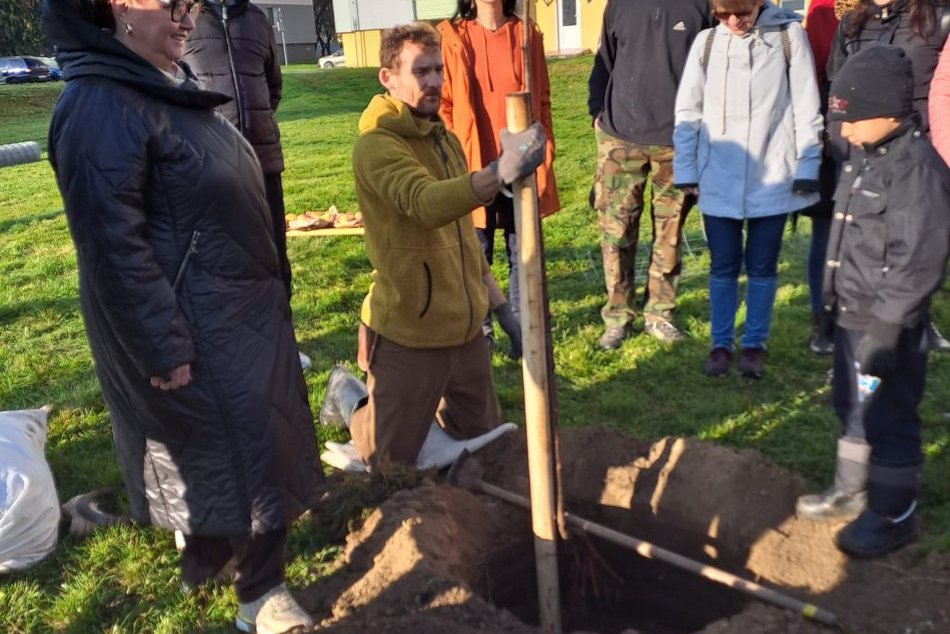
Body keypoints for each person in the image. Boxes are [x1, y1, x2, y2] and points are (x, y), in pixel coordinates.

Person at [42, 1, 321, 632]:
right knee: (246, 449)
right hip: (194, 320)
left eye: (191, 4)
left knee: (249, 446)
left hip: (234, 308)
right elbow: (112, 247)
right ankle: (261, 595)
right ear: (118, 8)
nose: (186, 17)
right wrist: (160, 345)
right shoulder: (98, 106)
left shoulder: (166, 87)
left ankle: (208, 553)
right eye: (170, 5)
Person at [319, 22, 545, 471]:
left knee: (481, 443)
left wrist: (501, 310)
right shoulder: (376, 145)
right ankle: (347, 393)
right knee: (387, 461)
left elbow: (463, 238)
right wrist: (495, 174)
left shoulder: (442, 137)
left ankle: (427, 410)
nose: (435, 81)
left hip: (464, 331)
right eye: (421, 71)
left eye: (438, 69)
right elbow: (423, 203)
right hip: (410, 330)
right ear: (388, 77)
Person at [798, 46, 950, 556]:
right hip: (852, 314)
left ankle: (892, 513)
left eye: (851, 119)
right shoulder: (864, 158)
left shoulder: (917, 173)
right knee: (853, 404)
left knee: (888, 413)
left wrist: (887, 329)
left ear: (889, 112)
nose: (843, 131)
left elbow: (918, 260)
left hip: (889, 324)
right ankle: (849, 490)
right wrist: (829, 310)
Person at [673, 0, 824, 378]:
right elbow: (687, 112)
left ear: (758, 3)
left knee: (762, 264)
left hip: (773, 174)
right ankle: (720, 344)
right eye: (724, 14)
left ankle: (755, 343)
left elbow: (807, 106)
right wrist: (685, 168)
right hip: (718, 177)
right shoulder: (706, 43)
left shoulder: (788, 37)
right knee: (722, 265)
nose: (734, 23)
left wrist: (807, 164)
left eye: (741, 13)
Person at [182, 0, 312, 369]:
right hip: (213, 169)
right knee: (225, 260)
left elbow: (273, 87)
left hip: (264, 163)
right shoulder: (188, 19)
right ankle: (234, 347)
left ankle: (282, 345)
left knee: (274, 258)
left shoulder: (258, 20)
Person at [437, 0, 559, 359]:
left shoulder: (526, 34)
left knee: (522, 249)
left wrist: (543, 148)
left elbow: (544, 99)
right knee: (477, 249)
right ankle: (482, 329)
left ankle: (523, 330)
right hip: (474, 164)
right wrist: (457, 146)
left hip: (520, 164)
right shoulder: (455, 37)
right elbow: (445, 103)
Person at [826, 0, 950, 352]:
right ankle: (846, 329)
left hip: (914, 150)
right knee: (860, 243)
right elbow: (836, 80)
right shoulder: (853, 22)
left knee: (908, 247)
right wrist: (835, 134)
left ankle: (903, 329)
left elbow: (942, 88)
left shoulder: (939, 18)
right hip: (857, 150)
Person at [587, 0, 712, 349]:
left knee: (669, 236)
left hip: (678, 142)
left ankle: (659, 314)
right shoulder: (619, 5)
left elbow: (711, 70)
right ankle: (617, 317)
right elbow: (604, 61)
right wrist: (596, 109)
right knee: (616, 233)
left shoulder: (701, 6)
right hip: (619, 139)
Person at [802, 0, 840, 356]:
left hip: (885, 132)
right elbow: (810, 73)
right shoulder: (822, 8)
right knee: (826, 234)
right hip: (831, 134)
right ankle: (822, 320)